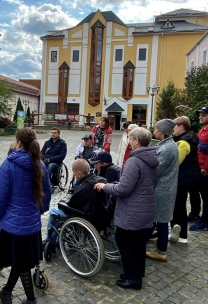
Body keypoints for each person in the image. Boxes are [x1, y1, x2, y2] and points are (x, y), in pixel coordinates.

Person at [0, 128, 52, 304]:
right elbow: (47, 192)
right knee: (21, 261)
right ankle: (7, 292)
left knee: (21, 263)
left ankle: (29, 299)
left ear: (19, 143)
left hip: (14, 225)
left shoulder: (8, 164)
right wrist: (40, 210)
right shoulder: (40, 164)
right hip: (31, 223)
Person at [95, 127, 158, 290]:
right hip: (146, 207)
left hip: (133, 210)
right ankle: (137, 273)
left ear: (136, 140)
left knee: (123, 241)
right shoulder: (151, 158)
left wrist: (105, 186)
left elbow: (124, 189)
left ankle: (133, 278)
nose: (128, 141)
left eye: (130, 138)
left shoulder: (134, 161)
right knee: (138, 244)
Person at [44, 159, 107, 246]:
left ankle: (50, 240)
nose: (75, 176)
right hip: (97, 213)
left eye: (74, 174)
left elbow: (69, 207)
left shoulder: (82, 189)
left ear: (79, 173)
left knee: (53, 211)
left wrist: (62, 202)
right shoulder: (100, 180)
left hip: (84, 215)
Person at [146, 119, 179, 262]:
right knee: (160, 220)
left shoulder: (167, 149)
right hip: (165, 188)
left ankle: (161, 251)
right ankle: (159, 248)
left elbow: (157, 170)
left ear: (163, 131)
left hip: (162, 189)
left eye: (157, 129)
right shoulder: (167, 145)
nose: (154, 131)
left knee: (161, 220)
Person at [170, 116, 201, 244]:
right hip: (188, 176)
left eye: (175, 126)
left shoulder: (183, 142)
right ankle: (179, 232)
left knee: (178, 206)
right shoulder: (190, 138)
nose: (173, 129)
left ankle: (181, 234)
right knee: (180, 205)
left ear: (181, 127)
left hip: (183, 178)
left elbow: (175, 162)